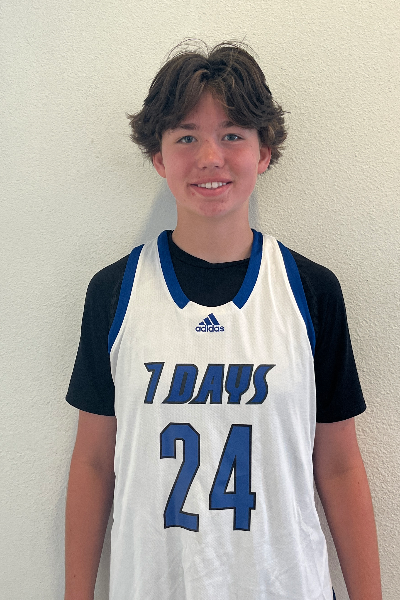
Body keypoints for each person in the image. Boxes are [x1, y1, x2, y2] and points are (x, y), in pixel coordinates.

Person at [65, 41, 382, 600]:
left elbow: (337, 465)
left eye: (233, 134)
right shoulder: (115, 292)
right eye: (187, 136)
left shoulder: (310, 291)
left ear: (264, 153)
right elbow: (93, 463)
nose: (210, 156)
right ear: (159, 158)